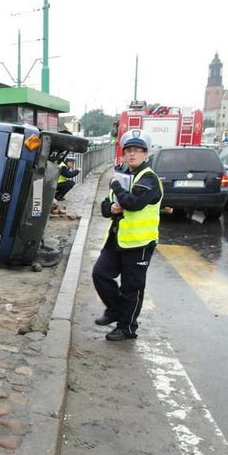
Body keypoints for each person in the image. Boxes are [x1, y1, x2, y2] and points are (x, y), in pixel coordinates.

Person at [91, 130, 162, 341]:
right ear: (123, 154)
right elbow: (105, 206)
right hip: (117, 239)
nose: (132, 155)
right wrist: (111, 207)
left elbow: (134, 203)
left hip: (139, 243)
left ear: (145, 154)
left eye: (137, 151)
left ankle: (127, 327)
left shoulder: (148, 178)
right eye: (129, 151)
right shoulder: (123, 175)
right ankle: (115, 309)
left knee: (132, 287)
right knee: (100, 273)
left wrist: (115, 187)